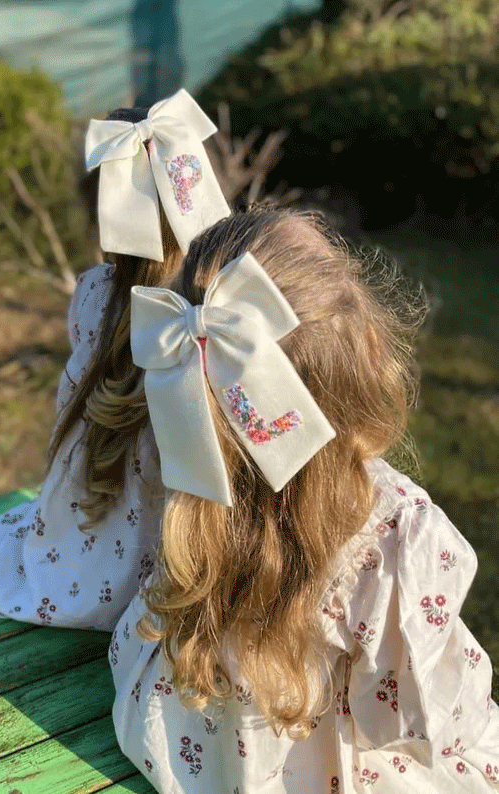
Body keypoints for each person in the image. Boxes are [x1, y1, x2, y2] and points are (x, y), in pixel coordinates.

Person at [109, 207, 499, 792]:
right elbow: (414, 714)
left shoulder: (189, 464)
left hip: (194, 746)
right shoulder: (394, 532)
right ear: (369, 352)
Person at [0, 88, 231, 630]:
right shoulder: (228, 309)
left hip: (97, 513)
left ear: (106, 225)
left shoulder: (95, 297)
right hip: (192, 543)